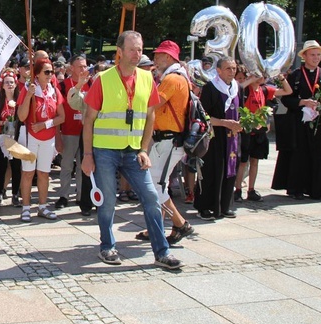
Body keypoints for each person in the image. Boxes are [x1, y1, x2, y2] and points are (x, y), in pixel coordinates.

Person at [81, 31, 182, 270]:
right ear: (120, 52)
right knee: (107, 202)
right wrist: (87, 155)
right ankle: (107, 246)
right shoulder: (103, 79)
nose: (138, 54)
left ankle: (162, 252)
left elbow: (150, 116)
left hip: (133, 151)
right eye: (133, 49)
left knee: (151, 197)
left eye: (140, 49)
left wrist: (144, 149)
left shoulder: (147, 79)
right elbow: (89, 120)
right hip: (105, 150)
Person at [136, 41, 194, 244]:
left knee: (153, 186)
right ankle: (157, 228)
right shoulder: (176, 77)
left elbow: (153, 103)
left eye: (159, 54)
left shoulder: (172, 79)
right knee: (158, 184)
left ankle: (179, 223)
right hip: (168, 140)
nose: (155, 58)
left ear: (169, 57)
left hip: (169, 140)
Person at [281, 40, 321, 200]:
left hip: (319, 120)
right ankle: (297, 188)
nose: (316, 58)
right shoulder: (296, 75)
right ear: (304, 56)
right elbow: (287, 99)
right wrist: (302, 102)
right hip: (300, 120)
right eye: (312, 55)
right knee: (300, 154)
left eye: (318, 55)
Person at [16, 58, 65, 222]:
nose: (51, 75)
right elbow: (21, 116)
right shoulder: (28, 89)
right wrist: (29, 95)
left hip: (47, 137)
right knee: (28, 173)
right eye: (47, 72)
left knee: (44, 173)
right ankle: (26, 207)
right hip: (30, 137)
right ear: (37, 74)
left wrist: (45, 125)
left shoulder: (54, 90)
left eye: (52, 72)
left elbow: (61, 117)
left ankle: (43, 206)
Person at [195, 57, 243, 220]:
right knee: (212, 170)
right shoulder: (210, 88)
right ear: (219, 70)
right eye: (228, 68)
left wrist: (245, 123)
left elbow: (241, 110)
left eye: (234, 68)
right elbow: (203, 115)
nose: (232, 72)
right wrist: (223, 123)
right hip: (215, 136)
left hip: (232, 137)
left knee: (229, 170)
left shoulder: (238, 88)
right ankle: (205, 206)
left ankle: (224, 205)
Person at [234, 73, 292, 202]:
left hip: (259, 131)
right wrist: (250, 80)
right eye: (261, 75)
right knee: (243, 162)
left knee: (255, 161)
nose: (263, 78)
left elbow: (288, 91)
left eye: (265, 76)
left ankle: (251, 189)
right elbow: (236, 89)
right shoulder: (245, 89)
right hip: (245, 130)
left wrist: (281, 78)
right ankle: (237, 190)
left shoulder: (265, 89)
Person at [55, 55, 91, 213]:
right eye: (79, 67)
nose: (83, 69)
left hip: (86, 132)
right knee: (67, 165)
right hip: (69, 131)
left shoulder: (91, 84)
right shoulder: (63, 86)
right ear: (71, 68)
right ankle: (63, 195)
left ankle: (81, 196)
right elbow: (57, 111)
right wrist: (58, 136)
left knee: (83, 166)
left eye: (85, 66)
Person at [0, 70, 22, 206]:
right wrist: (3, 123)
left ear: (16, 84)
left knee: (16, 166)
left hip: (16, 136)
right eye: (6, 82)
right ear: (2, 85)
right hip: (1, 136)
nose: (9, 85)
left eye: (12, 82)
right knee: (2, 166)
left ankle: (15, 194)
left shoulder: (20, 100)